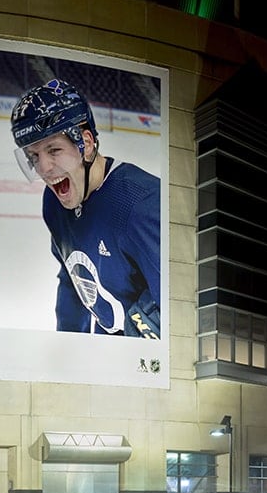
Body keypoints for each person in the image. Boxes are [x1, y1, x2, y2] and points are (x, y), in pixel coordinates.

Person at [9, 78, 160, 337]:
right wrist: (69, 349)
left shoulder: (142, 204)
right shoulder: (54, 204)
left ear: (86, 144)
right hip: (106, 351)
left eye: (54, 150)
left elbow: (174, 302)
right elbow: (74, 280)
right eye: (34, 156)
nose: (44, 168)